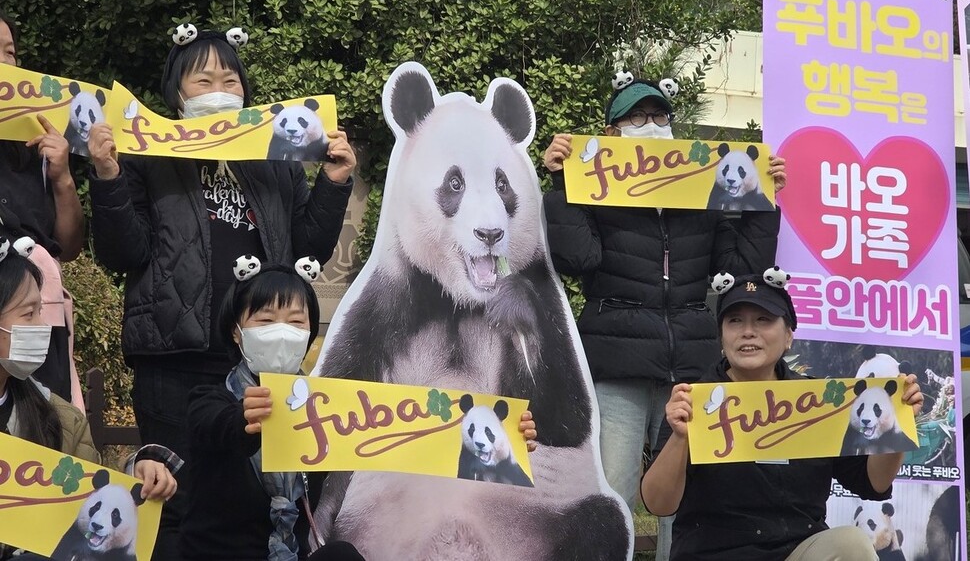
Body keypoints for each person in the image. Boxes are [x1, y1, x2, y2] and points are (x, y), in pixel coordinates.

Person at [85, 25, 356, 560]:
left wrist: (333, 182)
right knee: (177, 501)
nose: (219, 91)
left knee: (260, 500)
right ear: (177, 93)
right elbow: (123, 253)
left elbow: (308, 248)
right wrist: (108, 174)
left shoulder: (275, 161)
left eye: (230, 81)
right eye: (203, 80)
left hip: (258, 362)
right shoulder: (146, 156)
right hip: (174, 361)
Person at [541, 74, 786, 556]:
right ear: (611, 133)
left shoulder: (701, 195)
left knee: (687, 494)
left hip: (693, 367)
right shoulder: (595, 191)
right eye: (636, 117)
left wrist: (763, 201)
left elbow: (740, 269)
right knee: (614, 493)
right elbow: (577, 258)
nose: (650, 125)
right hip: (619, 367)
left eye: (658, 115)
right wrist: (562, 182)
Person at [184, 258, 538, 559]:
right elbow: (216, 426)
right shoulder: (208, 399)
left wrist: (508, 438)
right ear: (236, 331)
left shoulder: (327, 404)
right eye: (265, 321)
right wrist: (245, 418)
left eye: (295, 322)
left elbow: (416, 437)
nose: (282, 333)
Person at [640, 269, 923, 560]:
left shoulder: (816, 400)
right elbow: (659, 504)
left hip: (799, 549)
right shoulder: (694, 401)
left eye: (763, 319)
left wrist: (898, 425)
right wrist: (681, 438)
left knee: (851, 543)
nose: (748, 331)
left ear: (789, 335)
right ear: (721, 337)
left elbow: (872, 482)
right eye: (734, 320)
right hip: (713, 552)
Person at [0, 243, 180, 561]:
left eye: (41, 311)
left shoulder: (61, 420)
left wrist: (137, 475)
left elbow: (89, 499)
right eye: (28, 314)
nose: (43, 326)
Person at [0, 11, 85, 408]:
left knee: (43, 425)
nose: (4, 62)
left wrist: (62, 176)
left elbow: (68, 246)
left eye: (10, 52)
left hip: (36, 323)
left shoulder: (35, 142)